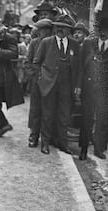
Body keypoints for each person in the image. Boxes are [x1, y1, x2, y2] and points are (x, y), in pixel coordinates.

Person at [34, 15, 81, 155]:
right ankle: (45, 143)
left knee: (64, 116)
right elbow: (36, 63)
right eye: (58, 26)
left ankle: (63, 143)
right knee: (47, 115)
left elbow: (78, 69)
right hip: (49, 85)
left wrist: (77, 86)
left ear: (69, 30)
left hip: (67, 86)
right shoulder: (46, 42)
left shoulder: (74, 45)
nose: (60, 29)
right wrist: (41, 80)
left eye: (64, 27)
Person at [79, 18, 108, 160]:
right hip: (89, 87)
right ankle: (83, 148)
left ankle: (99, 149)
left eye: (106, 31)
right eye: (101, 30)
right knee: (86, 118)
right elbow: (81, 66)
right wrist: (79, 86)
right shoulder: (89, 43)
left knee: (102, 120)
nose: (103, 33)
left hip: (106, 91)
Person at [27, 19, 53, 148]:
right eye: (39, 30)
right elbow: (28, 62)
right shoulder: (34, 43)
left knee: (48, 111)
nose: (40, 32)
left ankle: (46, 140)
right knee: (35, 110)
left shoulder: (53, 43)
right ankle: (33, 136)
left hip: (50, 82)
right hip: (37, 81)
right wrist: (34, 76)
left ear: (48, 31)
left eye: (43, 30)